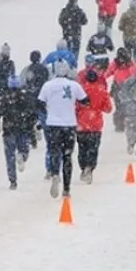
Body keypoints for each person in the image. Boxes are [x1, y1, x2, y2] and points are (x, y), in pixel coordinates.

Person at [38, 61, 89, 198]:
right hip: (69, 124)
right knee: (67, 156)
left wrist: (48, 110)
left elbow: (40, 103)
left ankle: (55, 174)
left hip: (53, 124)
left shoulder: (47, 86)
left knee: (54, 152)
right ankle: (66, 189)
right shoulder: (74, 86)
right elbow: (85, 100)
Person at [0, 75, 36, 189]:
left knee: (9, 156)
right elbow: (32, 111)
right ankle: (22, 156)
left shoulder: (4, 97)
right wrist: (31, 124)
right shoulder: (25, 96)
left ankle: (13, 181)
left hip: (9, 130)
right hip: (23, 129)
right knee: (25, 149)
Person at [75, 68, 112, 184]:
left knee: (82, 148)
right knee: (93, 148)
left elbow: (75, 107)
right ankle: (90, 168)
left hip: (82, 124)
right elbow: (108, 108)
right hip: (96, 124)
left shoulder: (81, 91)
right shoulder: (102, 91)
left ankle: (83, 167)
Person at [20, 50, 49, 149]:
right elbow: (49, 81)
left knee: (30, 116)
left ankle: (32, 138)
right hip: (42, 95)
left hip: (30, 96)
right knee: (43, 114)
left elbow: (22, 83)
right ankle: (44, 132)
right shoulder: (45, 69)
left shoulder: (27, 69)